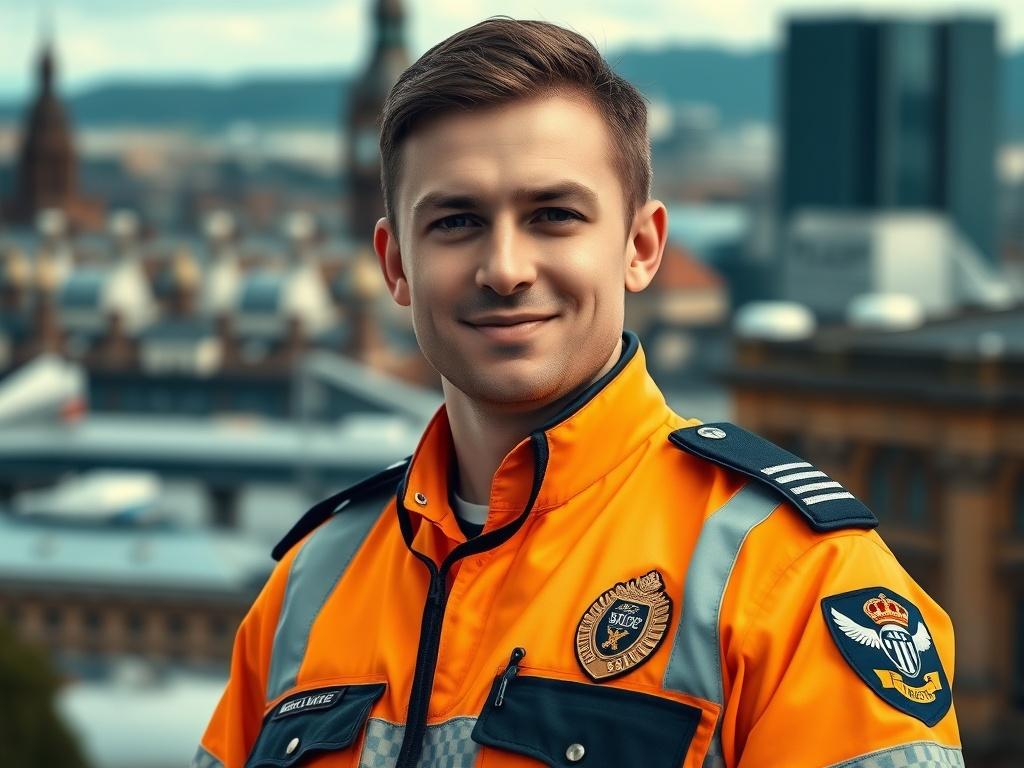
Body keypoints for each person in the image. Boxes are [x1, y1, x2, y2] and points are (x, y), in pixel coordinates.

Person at [193, 18, 962, 768]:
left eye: (553, 216)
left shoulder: (796, 576)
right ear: (396, 265)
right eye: (457, 222)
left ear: (641, 246)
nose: (505, 268)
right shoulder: (308, 586)